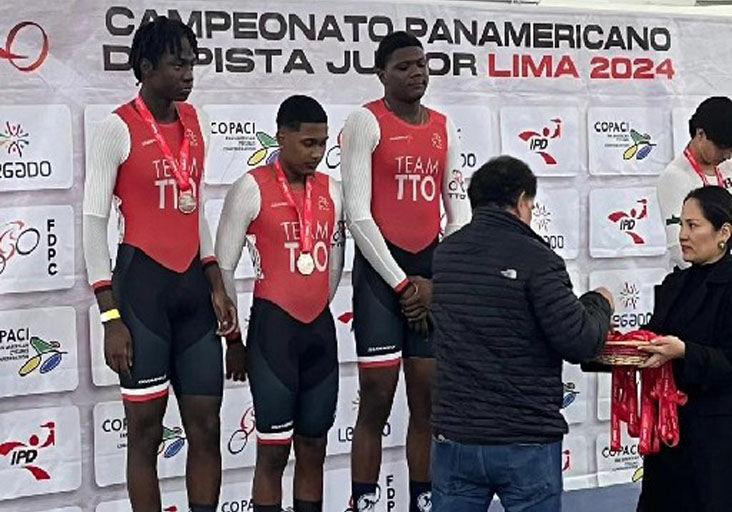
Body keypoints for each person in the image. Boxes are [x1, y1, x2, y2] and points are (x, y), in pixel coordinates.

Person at [82, 17, 241, 512]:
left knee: (208, 427)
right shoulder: (116, 127)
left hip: (193, 294)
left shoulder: (194, 121)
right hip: (142, 293)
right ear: (147, 68)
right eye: (178, 64)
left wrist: (215, 277)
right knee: (146, 435)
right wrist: (110, 318)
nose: (189, 73)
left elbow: (193, 208)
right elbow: (92, 225)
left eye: (192, 62)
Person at [429, 156, 614, 512]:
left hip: (456, 439)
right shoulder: (539, 259)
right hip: (525, 440)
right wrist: (599, 303)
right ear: (521, 202)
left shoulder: (445, 255)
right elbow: (579, 341)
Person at [340, 31, 471, 511]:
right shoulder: (365, 121)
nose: (416, 72)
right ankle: (364, 500)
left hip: (430, 277)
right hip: (381, 277)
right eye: (403, 67)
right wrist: (403, 284)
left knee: (429, 400)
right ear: (381, 74)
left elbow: (458, 210)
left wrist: (437, 282)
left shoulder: (443, 125)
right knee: (376, 397)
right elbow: (357, 214)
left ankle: (424, 500)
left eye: (421, 64)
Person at [215, 95, 345, 512]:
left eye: (322, 144)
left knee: (314, 448)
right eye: (307, 143)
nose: (316, 153)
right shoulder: (250, 188)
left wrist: (320, 302)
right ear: (282, 136)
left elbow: (336, 258)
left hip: (319, 333)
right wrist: (233, 340)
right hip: (274, 333)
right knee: (272, 453)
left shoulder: (333, 191)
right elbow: (222, 266)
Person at [635, 186, 732, 512]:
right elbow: (652, 341)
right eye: (681, 225)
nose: (683, 235)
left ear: (724, 233)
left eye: (693, 226)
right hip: (668, 437)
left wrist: (685, 351)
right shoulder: (674, 285)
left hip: (715, 443)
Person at [658, 96, 732, 269]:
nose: (727, 155)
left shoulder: (728, 166)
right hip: (700, 282)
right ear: (701, 134)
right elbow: (679, 247)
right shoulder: (675, 177)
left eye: (731, 149)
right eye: (722, 148)